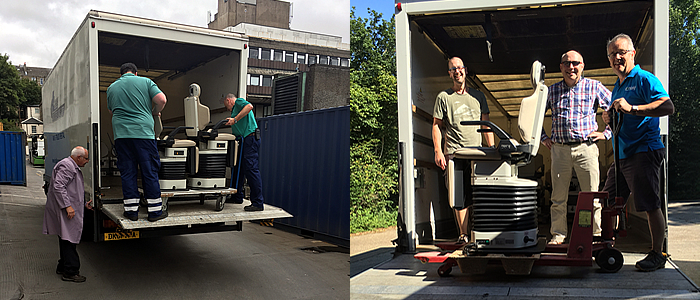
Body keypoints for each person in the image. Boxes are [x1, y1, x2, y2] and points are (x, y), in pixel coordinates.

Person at [602, 33, 674, 271]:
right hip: (622, 155)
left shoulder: (644, 78)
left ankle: (658, 253)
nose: (617, 57)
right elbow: (621, 120)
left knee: (649, 203)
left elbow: (667, 106)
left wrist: (632, 107)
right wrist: (609, 117)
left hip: (643, 150)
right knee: (607, 199)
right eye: (613, 54)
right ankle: (606, 245)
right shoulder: (618, 85)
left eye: (621, 52)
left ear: (632, 53)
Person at [540, 50, 612, 244]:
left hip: (586, 148)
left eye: (575, 63)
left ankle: (594, 235)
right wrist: (543, 137)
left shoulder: (594, 86)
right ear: (561, 67)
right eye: (566, 63)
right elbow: (535, 117)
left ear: (582, 65)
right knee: (558, 197)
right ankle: (558, 235)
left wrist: (606, 133)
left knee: (592, 197)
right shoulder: (551, 91)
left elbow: (615, 109)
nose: (571, 67)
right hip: (560, 149)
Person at [432, 57, 495, 243]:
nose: (457, 71)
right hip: (454, 154)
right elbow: (436, 125)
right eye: (453, 69)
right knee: (459, 196)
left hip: (477, 155)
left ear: (465, 70)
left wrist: (491, 150)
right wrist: (438, 151)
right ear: (449, 73)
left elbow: (486, 125)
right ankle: (463, 235)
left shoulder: (478, 96)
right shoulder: (444, 97)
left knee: (479, 194)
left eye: (460, 68)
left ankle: (480, 234)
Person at [107, 62, 168, 222]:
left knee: (128, 172)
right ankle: (155, 212)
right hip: (143, 134)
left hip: (121, 135)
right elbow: (161, 99)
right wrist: (154, 112)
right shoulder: (145, 81)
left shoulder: (112, 88)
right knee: (149, 171)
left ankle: (131, 211)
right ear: (135, 73)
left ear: (121, 74)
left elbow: (111, 110)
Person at [42, 146, 93, 283]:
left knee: (65, 238)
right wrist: (67, 206)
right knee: (69, 239)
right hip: (66, 210)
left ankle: (62, 266)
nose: (87, 161)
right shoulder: (67, 166)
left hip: (69, 208)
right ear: (78, 157)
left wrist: (83, 204)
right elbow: (58, 186)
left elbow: (72, 191)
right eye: (86, 158)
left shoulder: (71, 166)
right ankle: (71, 271)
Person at [224, 93, 265, 211]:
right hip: (242, 141)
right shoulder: (235, 109)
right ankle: (237, 196)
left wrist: (235, 120)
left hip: (249, 139)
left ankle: (258, 202)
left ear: (228, 100)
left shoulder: (238, 102)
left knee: (251, 169)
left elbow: (250, 106)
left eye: (227, 106)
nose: (228, 109)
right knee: (237, 168)